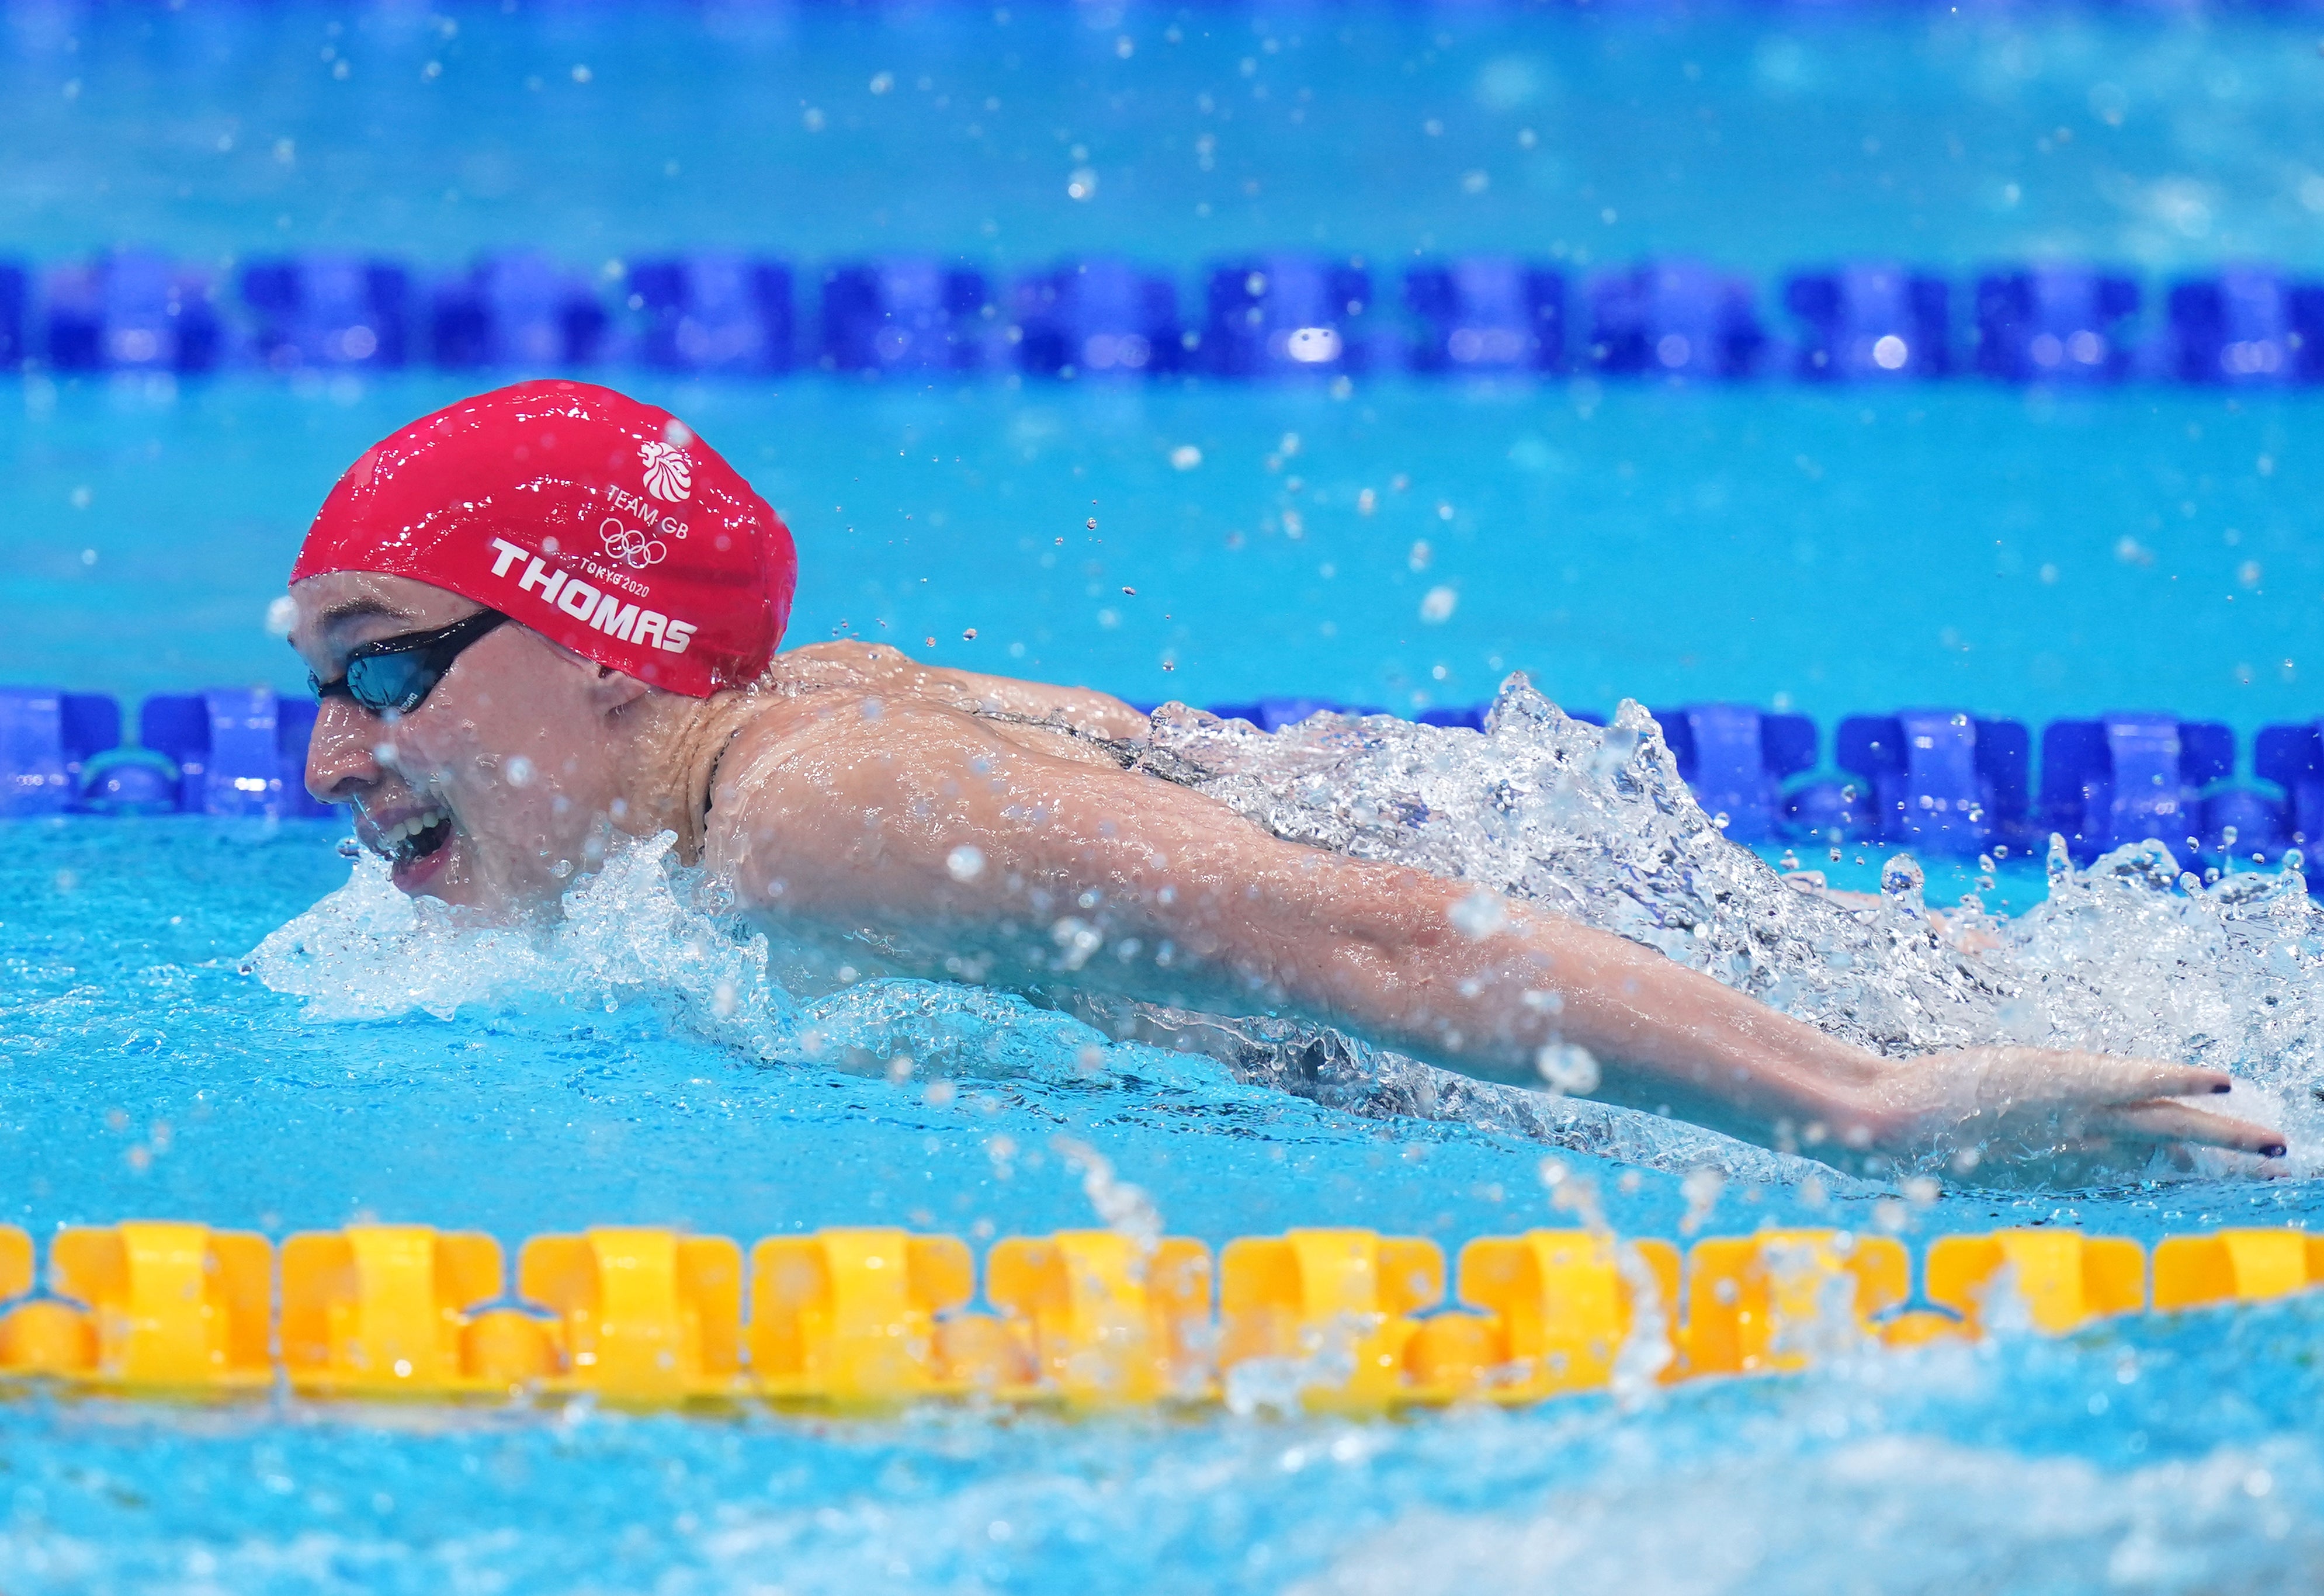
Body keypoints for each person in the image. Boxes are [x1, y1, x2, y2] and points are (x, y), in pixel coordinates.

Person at [283, 380, 2285, 1179]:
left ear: (613, 647)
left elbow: (1359, 927)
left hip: (1676, 1031)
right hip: (1654, 960)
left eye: (382, 662)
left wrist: (1862, 1111)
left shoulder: (811, 816)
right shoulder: (795, 722)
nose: (329, 752)